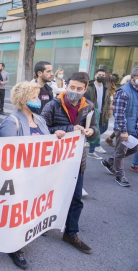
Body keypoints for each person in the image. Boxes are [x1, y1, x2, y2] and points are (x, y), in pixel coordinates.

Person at [0, 81, 63, 269]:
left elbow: (46, 139)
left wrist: (56, 134)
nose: (38, 100)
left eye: (37, 96)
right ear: (22, 99)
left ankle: (29, 231)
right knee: (16, 211)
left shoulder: (40, 119)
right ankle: (14, 247)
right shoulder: (12, 122)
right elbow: (3, 153)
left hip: (38, 176)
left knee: (31, 208)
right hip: (19, 177)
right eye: (33, 97)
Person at [41, 72, 97, 254]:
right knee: (46, 194)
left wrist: (91, 132)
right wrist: (67, 129)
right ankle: (40, 224)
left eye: (79, 89)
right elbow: (42, 129)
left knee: (76, 199)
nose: (74, 91)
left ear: (85, 89)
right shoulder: (53, 105)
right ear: (66, 86)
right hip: (53, 160)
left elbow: (95, 130)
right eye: (71, 87)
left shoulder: (88, 107)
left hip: (76, 161)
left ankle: (71, 233)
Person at [102, 66, 138, 187]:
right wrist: (123, 131)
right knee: (121, 153)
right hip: (124, 128)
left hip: (135, 127)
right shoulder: (124, 91)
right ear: (133, 77)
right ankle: (120, 176)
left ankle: (109, 160)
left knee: (134, 148)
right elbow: (119, 113)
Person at [85, 69, 111, 159]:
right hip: (93, 112)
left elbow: (108, 101)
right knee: (96, 131)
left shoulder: (106, 87)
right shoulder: (90, 86)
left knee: (104, 128)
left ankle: (90, 141)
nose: (101, 76)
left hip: (103, 112)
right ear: (95, 76)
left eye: (103, 75)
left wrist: (109, 111)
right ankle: (92, 151)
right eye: (100, 74)